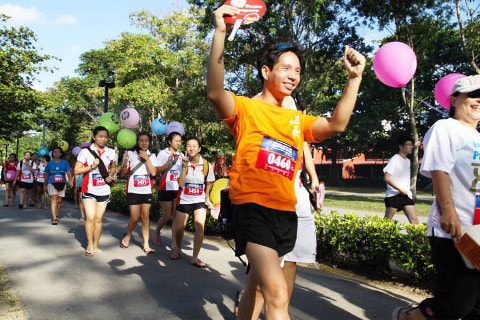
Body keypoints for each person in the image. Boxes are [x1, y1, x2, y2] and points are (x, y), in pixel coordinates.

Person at [207, 5, 365, 319]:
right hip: (251, 208)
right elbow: (214, 91)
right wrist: (221, 33)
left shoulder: (297, 120)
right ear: (266, 71)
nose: (293, 76)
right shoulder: (245, 109)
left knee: (254, 286)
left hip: (285, 212)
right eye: (286, 68)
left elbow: (336, 125)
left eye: (297, 71)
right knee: (278, 296)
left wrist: (355, 79)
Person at [392, 75, 480, 319]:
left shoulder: (478, 137)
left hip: (477, 232)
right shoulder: (445, 128)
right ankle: (407, 318)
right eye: (472, 95)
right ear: (454, 99)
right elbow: (439, 169)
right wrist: (448, 209)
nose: (478, 100)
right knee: (455, 302)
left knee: (477, 305)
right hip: (454, 231)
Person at [237, 95, 321, 317]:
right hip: (267, 207)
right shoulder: (265, 128)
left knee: (287, 270)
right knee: (259, 282)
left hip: (297, 204)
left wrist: (314, 180)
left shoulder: (300, 136)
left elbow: (307, 156)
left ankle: (279, 310)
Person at [172, 137, 215, 266]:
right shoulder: (182, 163)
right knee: (179, 228)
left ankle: (195, 257)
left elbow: (210, 182)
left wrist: (207, 197)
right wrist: (185, 168)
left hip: (199, 200)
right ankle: (178, 248)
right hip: (184, 199)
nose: (191, 148)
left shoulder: (206, 164)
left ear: (199, 148)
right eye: (189, 146)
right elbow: (180, 184)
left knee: (199, 226)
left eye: (194, 146)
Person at [74, 126, 117, 257]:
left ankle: (96, 245)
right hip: (89, 189)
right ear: (94, 137)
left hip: (104, 189)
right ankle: (90, 244)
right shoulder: (86, 152)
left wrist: (111, 174)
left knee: (98, 219)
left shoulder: (110, 152)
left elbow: (113, 167)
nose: (103, 139)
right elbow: (76, 170)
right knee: (91, 217)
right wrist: (91, 166)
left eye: (105, 137)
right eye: (100, 137)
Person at [119, 132, 158, 254]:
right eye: (141, 140)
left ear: (149, 142)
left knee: (145, 216)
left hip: (146, 190)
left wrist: (147, 159)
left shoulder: (152, 155)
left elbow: (153, 173)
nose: (144, 143)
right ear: (137, 142)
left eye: (146, 141)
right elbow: (123, 173)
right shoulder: (130, 154)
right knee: (135, 217)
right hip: (133, 190)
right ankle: (128, 235)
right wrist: (125, 162)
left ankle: (146, 244)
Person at [154, 132, 184, 247]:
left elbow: (182, 172)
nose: (178, 143)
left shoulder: (181, 155)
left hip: (177, 189)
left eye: (180, 141)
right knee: (167, 215)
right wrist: (168, 163)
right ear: (170, 142)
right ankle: (157, 232)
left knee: (176, 216)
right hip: (165, 187)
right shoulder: (162, 153)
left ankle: (175, 241)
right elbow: (156, 171)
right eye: (176, 140)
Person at [383, 135, 420, 224]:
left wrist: (405, 191)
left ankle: (419, 238)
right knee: (386, 223)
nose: (411, 147)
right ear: (400, 147)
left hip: (406, 195)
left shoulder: (407, 161)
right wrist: (399, 189)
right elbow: (386, 178)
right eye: (408, 145)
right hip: (394, 196)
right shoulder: (395, 159)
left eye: (411, 145)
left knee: (415, 222)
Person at [44, 146, 73, 225]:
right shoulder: (49, 163)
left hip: (62, 183)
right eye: (54, 152)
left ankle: (56, 214)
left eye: (58, 152)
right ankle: (54, 218)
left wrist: (70, 180)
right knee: (54, 200)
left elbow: (68, 172)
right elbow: (46, 174)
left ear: (61, 153)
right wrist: (45, 185)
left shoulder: (64, 162)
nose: (56, 153)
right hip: (51, 183)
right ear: (52, 153)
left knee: (59, 201)